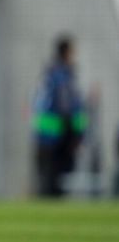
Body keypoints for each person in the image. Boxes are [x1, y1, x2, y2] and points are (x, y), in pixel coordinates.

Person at [32, 35, 86, 197]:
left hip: (45, 133)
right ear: (66, 53)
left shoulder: (49, 74)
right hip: (58, 132)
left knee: (48, 177)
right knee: (55, 179)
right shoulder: (62, 77)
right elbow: (70, 106)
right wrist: (79, 132)